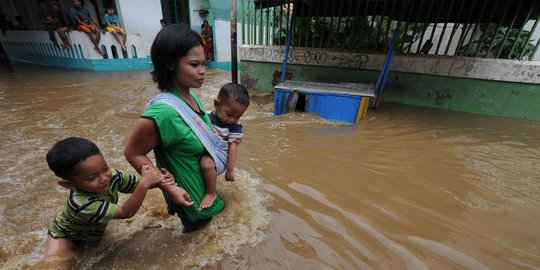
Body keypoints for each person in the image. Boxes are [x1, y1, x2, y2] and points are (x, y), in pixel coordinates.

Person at [124, 24, 225, 233]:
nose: (203, 71)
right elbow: (132, 152)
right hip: (192, 207)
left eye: (203, 64)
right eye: (194, 64)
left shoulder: (191, 97)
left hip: (207, 197)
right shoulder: (164, 113)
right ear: (171, 64)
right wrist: (169, 187)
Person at [42, 137, 192, 267]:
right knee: (55, 266)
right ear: (68, 185)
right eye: (91, 178)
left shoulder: (113, 176)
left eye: (105, 168)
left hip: (90, 232)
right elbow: (126, 212)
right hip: (66, 236)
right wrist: (146, 183)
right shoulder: (81, 204)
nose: (104, 178)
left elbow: (141, 184)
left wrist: (163, 181)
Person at [199, 83, 249, 210]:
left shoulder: (234, 127)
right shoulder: (205, 117)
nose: (233, 120)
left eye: (238, 117)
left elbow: (233, 147)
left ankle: (210, 193)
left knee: (206, 164)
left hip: (221, 157)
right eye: (229, 114)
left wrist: (230, 170)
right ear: (216, 104)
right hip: (208, 149)